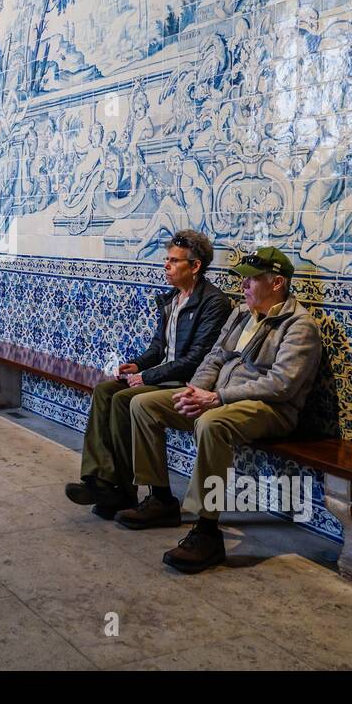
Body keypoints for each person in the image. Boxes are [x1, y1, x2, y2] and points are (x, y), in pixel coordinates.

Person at [130, 247, 322, 573]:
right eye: (242, 281)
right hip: (221, 398)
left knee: (211, 423)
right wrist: (197, 390)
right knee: (143, 404)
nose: (243, 287)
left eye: (251, 281)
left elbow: (280, 385)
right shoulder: (241, 315)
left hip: (270, 410)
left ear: (277, 283)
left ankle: (206, 532)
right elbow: (215, 357)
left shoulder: (299, 326)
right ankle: (161, 498)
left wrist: (218, 398)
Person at [64, 230, 232, 521]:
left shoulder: (213, 303)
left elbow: (195, 360)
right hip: (163, 377)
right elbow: (158, 347)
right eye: (166, 259)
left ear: (195, 266)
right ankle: (99, 480)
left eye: (174, 261)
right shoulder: (172, 299)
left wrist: (147, 377)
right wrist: (136, 365)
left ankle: (129, 491)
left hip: (186, 383)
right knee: (105, 391)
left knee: (124, 400)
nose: (166, 266)